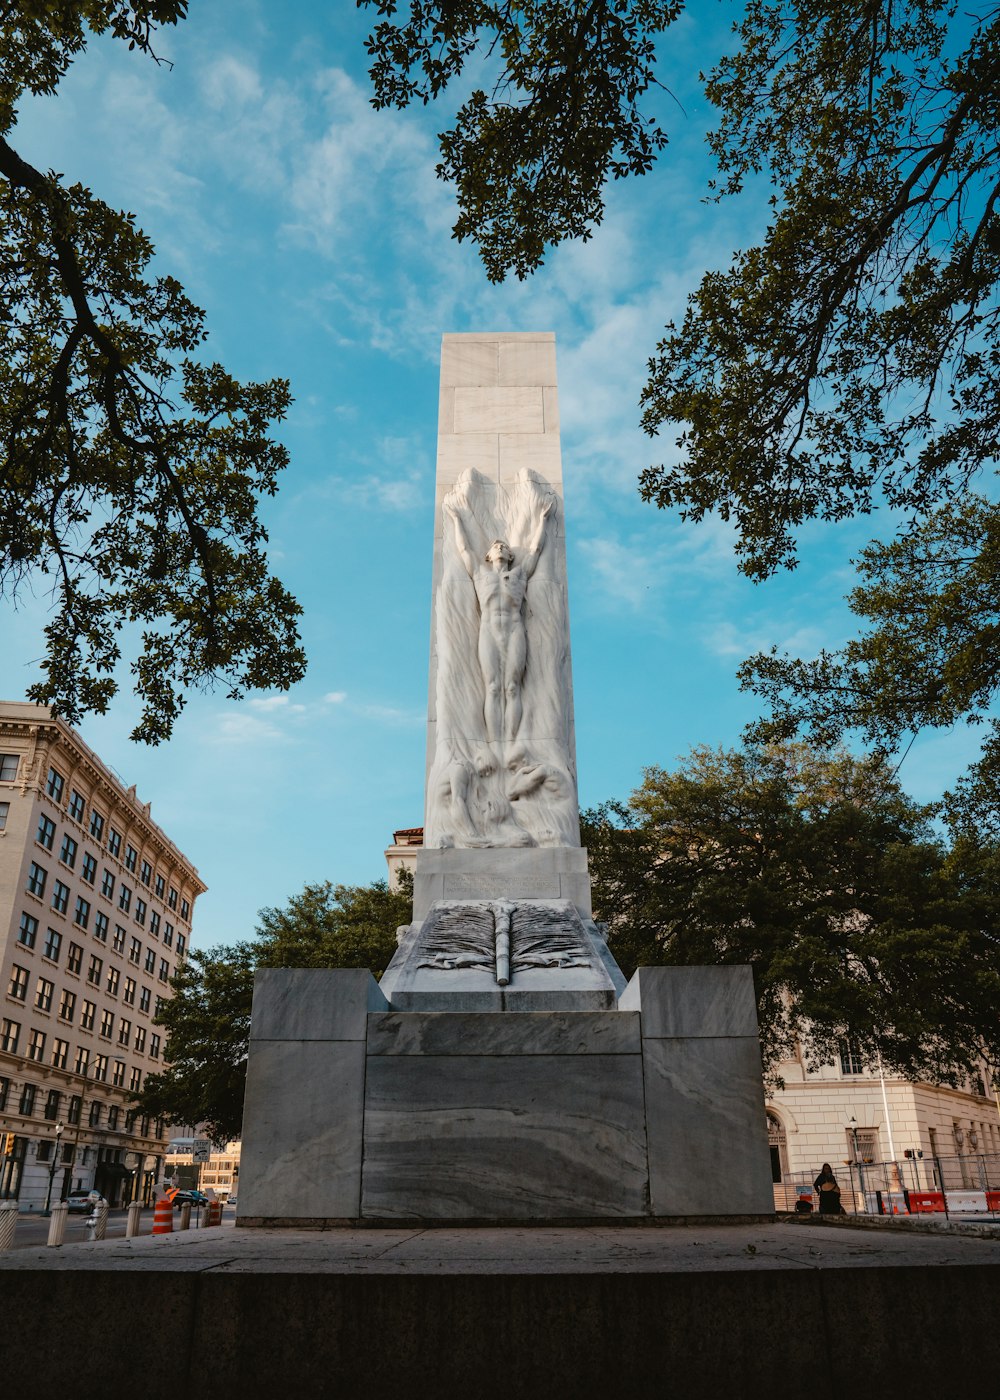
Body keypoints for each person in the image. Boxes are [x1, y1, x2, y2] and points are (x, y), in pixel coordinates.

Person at [444, 494, 553, 742]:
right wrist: (456, 518)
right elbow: (463, 549)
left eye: (504, 546)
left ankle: (512, 745)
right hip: (488, 632)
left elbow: (535, 549)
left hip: (515, 630)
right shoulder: (480, 574)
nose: (500, 546)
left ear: (511, 556)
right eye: (496, 546)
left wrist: (543, 520)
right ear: (488, 556)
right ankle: (495, 744)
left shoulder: (519, 575)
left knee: (512, 687)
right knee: (493, 688)